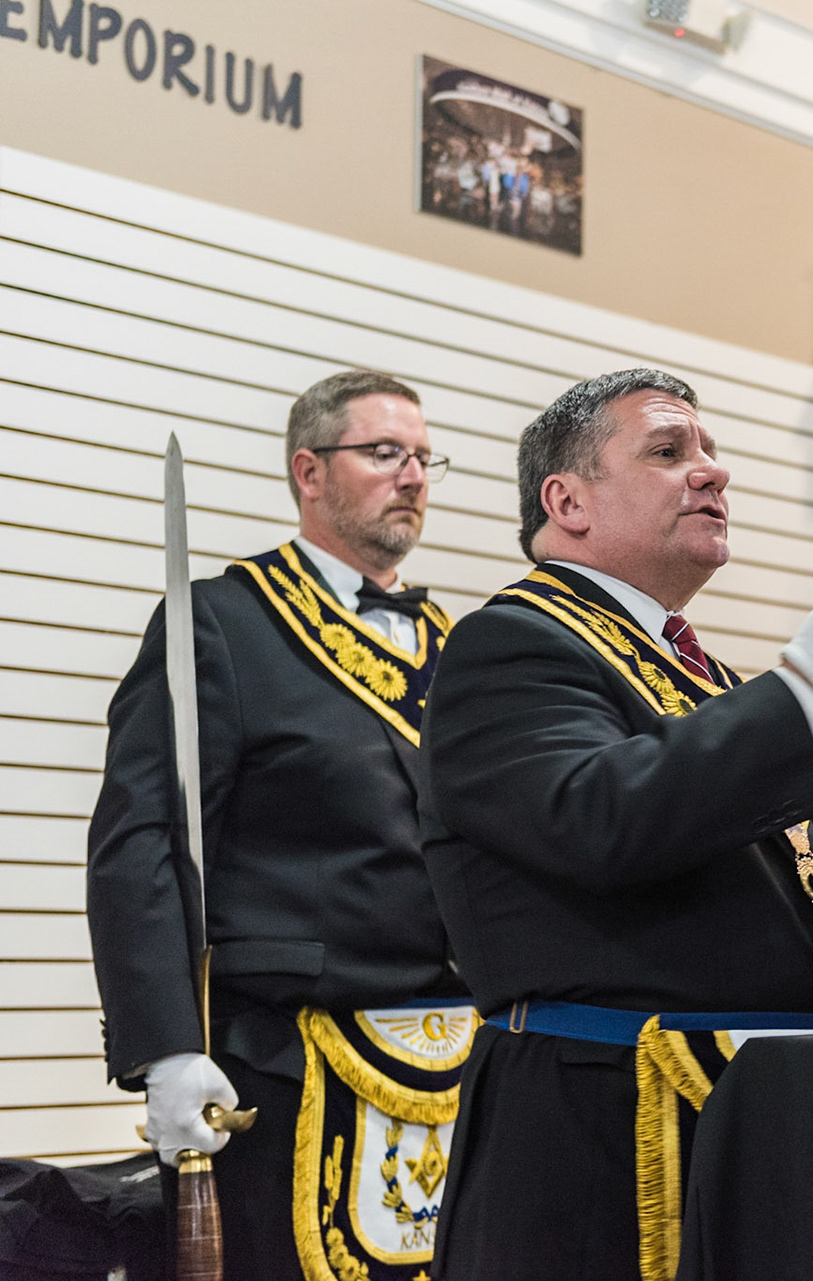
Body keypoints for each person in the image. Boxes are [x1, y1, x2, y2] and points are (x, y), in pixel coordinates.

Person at [418, 368, 813, 1279]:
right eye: (669, 452)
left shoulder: (702, 673)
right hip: (603, 1124)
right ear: (567, 501)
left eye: (710, 452)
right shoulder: (511, 641)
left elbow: (770, 896)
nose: (713, 472)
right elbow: (602, 819)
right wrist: (803, 692)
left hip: (749, 1105)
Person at [87, 370, 470, 1280]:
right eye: (385, 452)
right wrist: (165, 1047)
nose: (412, 475)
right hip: (279, 1064)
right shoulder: (220, 624)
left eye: (425, 458)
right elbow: (140, 842)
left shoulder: (460, 645)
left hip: (450, 1055)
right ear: (310, 471)